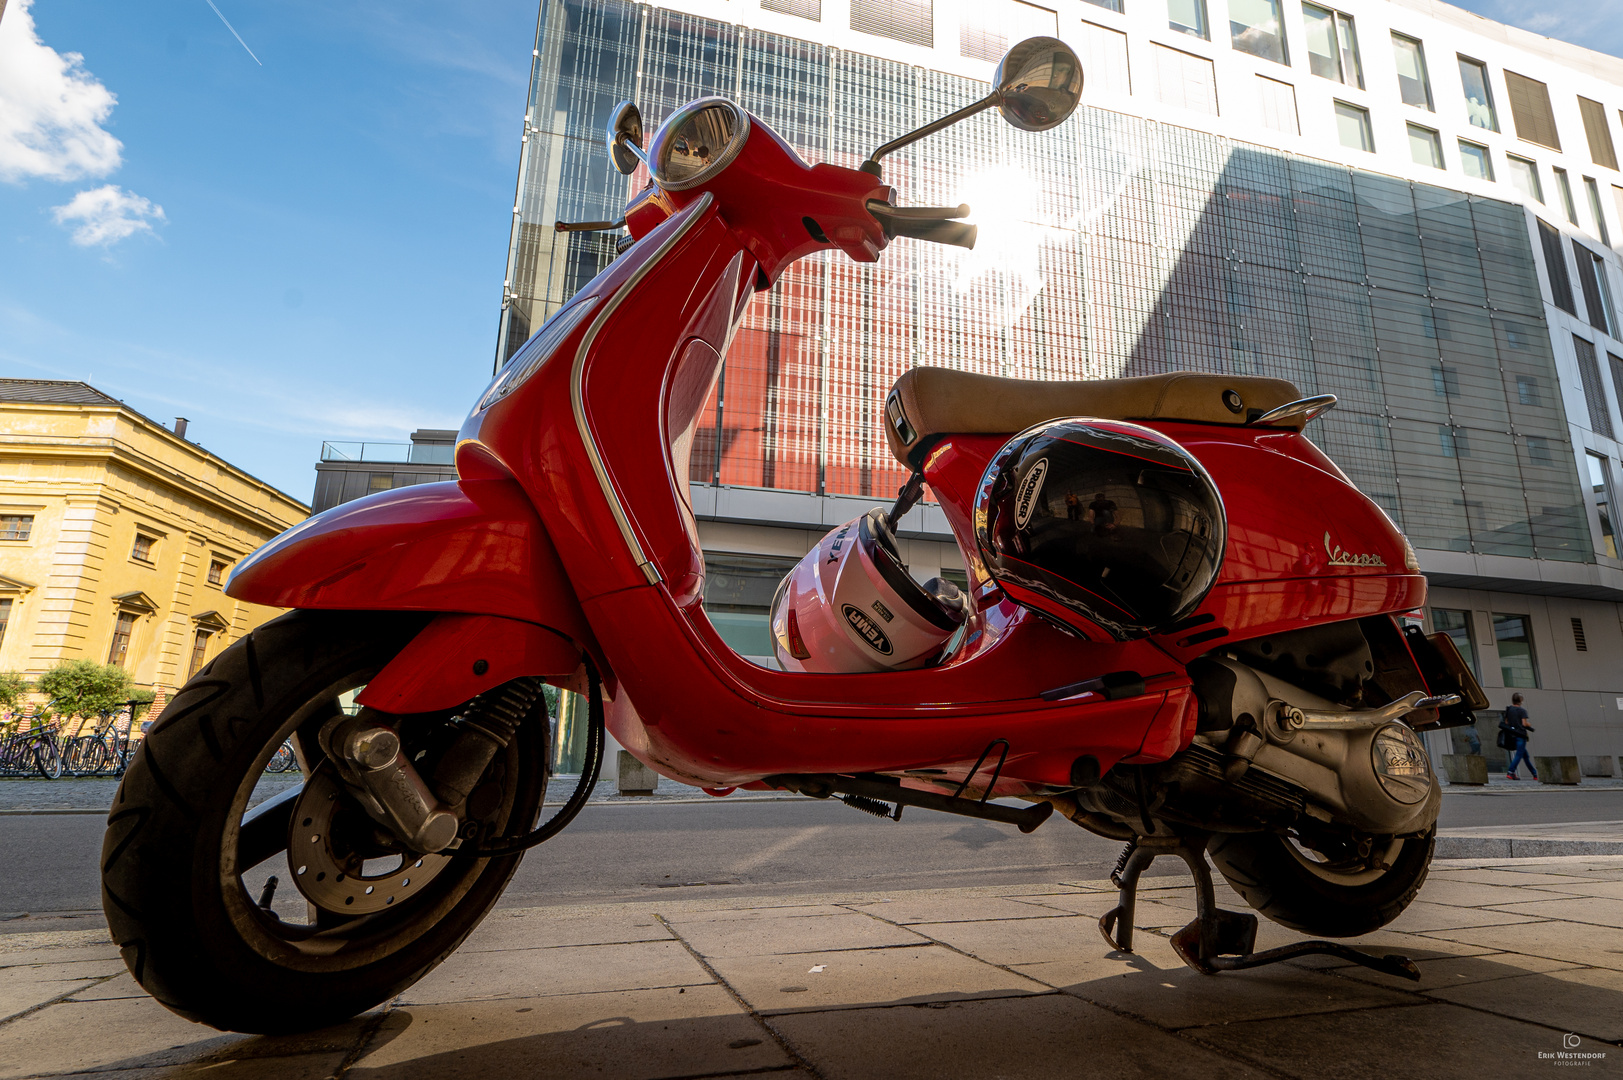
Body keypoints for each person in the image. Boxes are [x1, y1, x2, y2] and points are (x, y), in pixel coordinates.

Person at [1500, 693, 1537, 780]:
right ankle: (1511, 771)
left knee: (1525, 756)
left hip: (1512, 734)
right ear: (1520, 700)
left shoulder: (1509, 710)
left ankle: (1534, 773)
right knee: (1519, 755)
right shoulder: (1522, 711)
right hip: (1521, 735)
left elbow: (1506, 722)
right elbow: (1524, 723)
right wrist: (1529, 724)